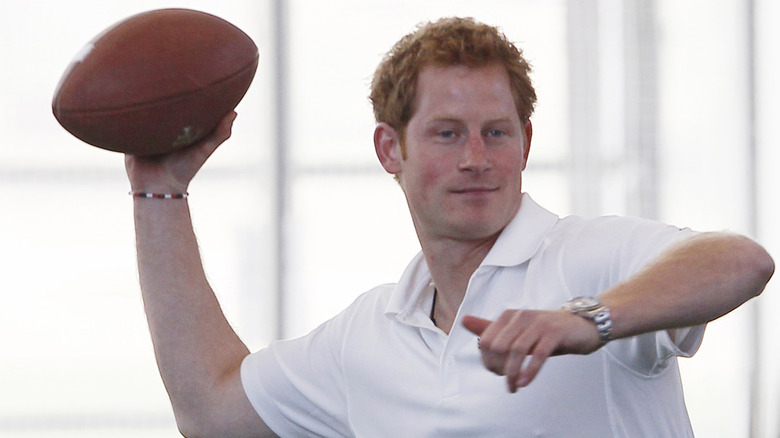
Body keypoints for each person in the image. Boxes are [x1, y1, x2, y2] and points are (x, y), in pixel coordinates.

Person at [125, 17, 774, 438]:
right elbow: (211, 409)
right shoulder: (367, 338)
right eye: (446, 134)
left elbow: (739, 261)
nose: (475, 158)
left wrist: (587, 319)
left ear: (524, 144)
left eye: (496, 132)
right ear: (389, 150)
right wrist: (158, 191)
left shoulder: (584, 260)